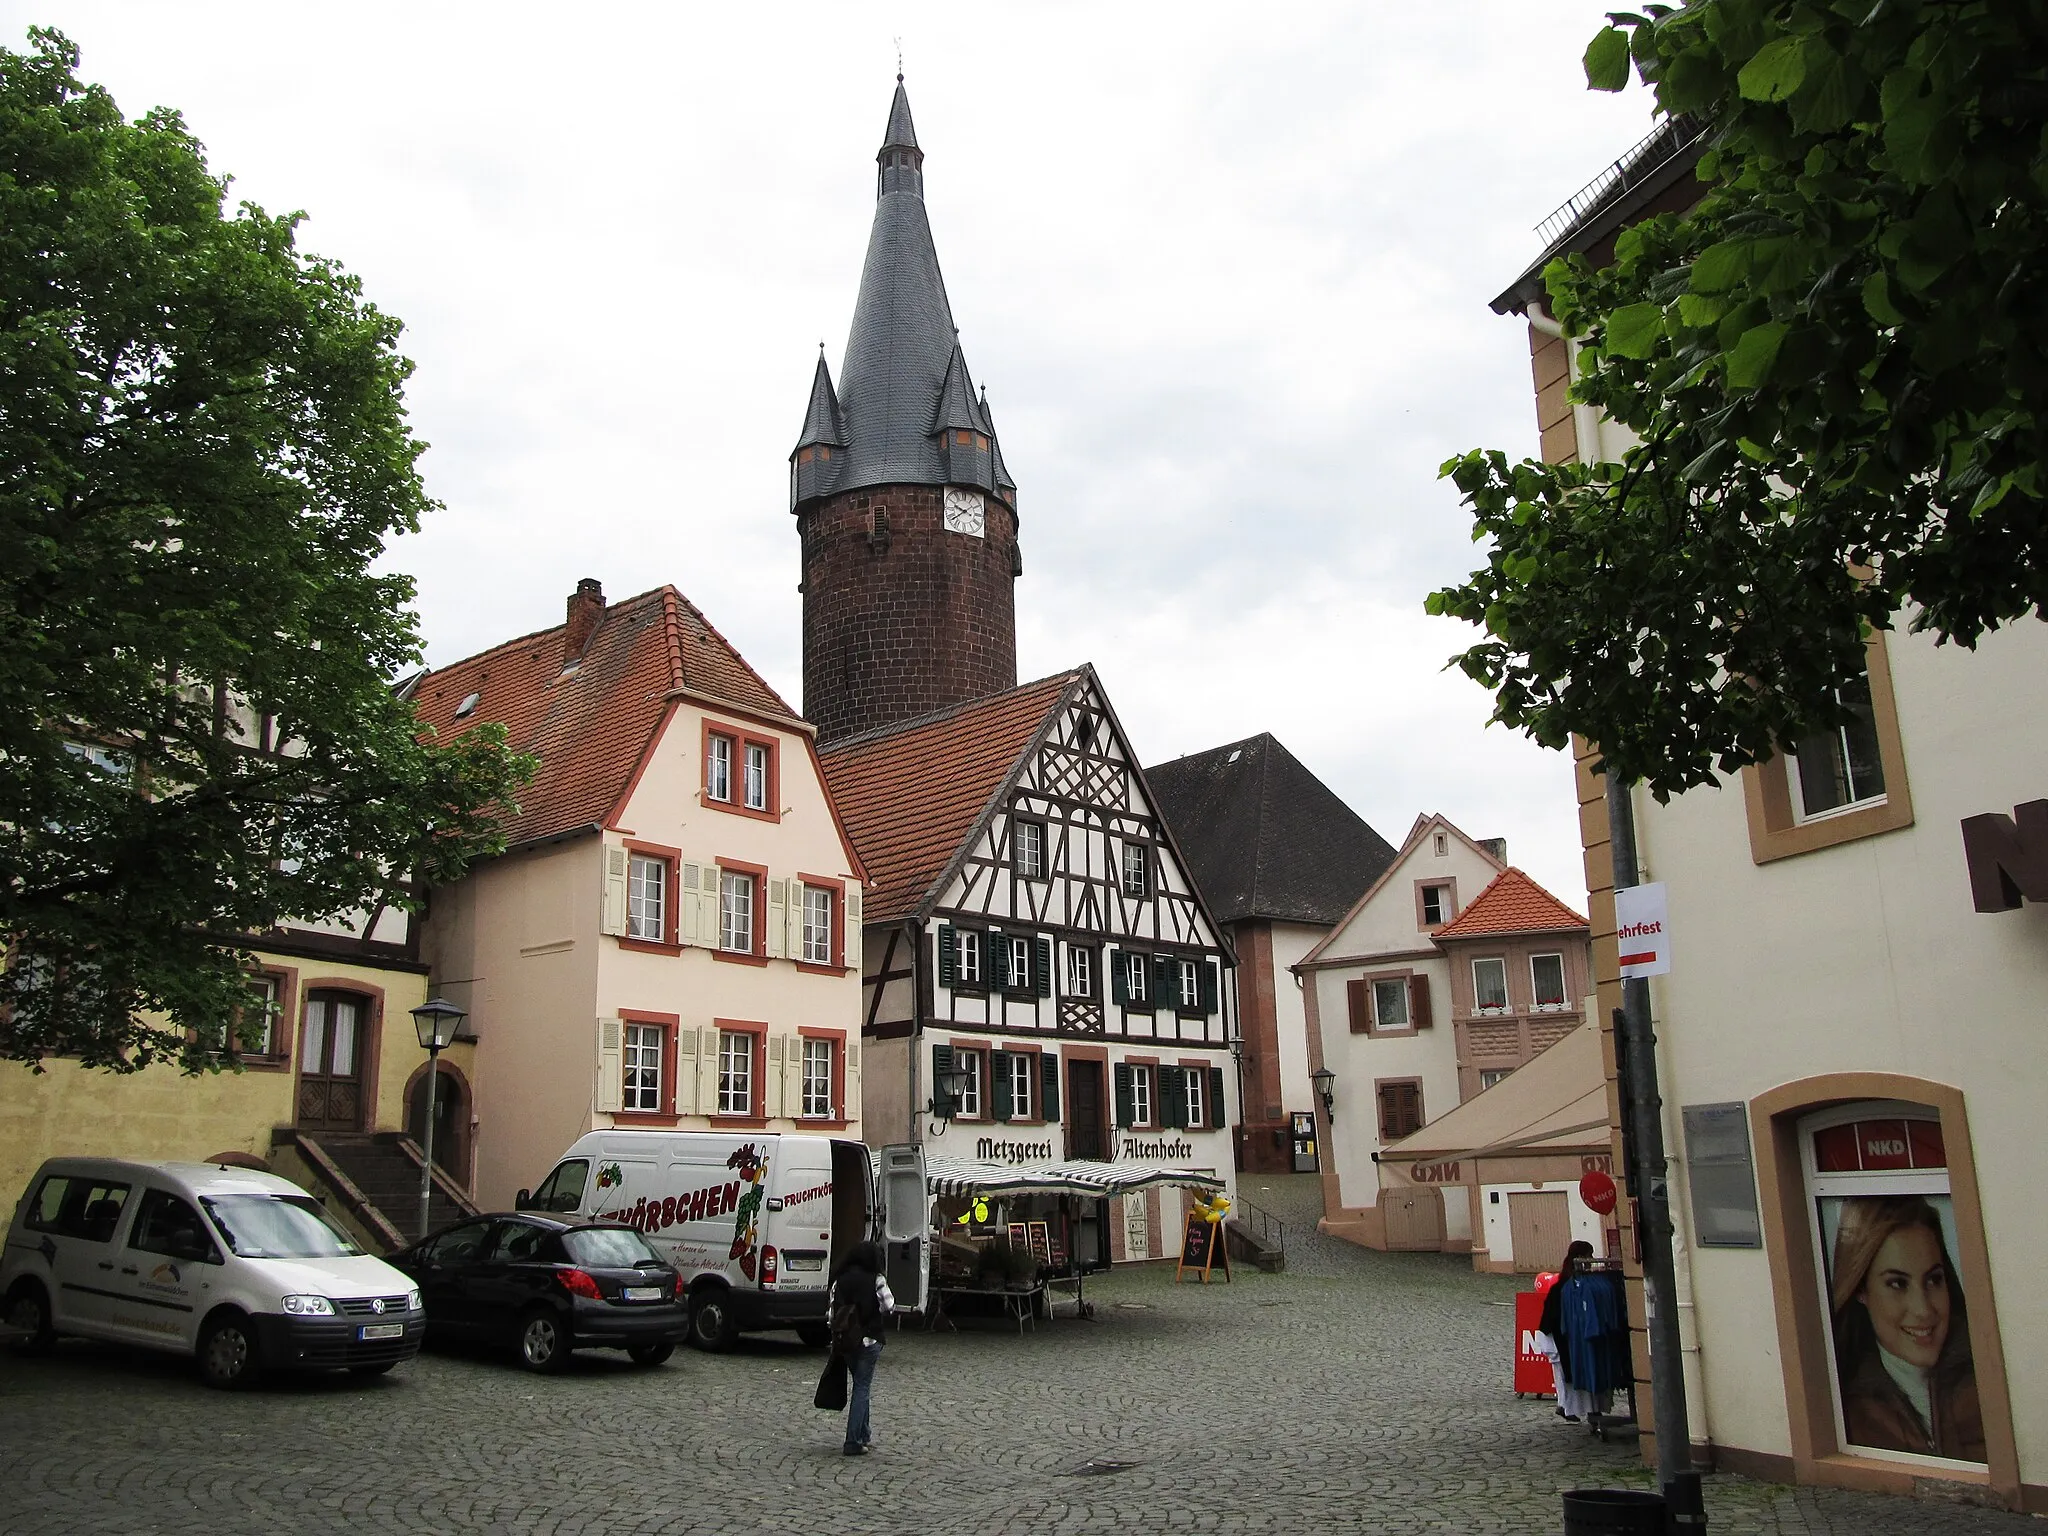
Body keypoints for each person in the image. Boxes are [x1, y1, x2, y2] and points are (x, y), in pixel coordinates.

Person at [1829, 1197, 1985, 1461]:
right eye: (1898, 1284)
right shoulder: (1846, 1404)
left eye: (1934, 1279)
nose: (1923, 1309)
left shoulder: (1986, 1377)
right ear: (1860, 1291)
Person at [1538, 1240, 1627, 1423]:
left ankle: (1574, 1408)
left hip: (1572, 1338)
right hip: (1565, 1339)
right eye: (1589, 1255)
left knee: (1572, 1375)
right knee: (1569, 1375)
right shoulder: (1566, 1286)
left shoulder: (1576, 1284)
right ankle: (1572, 1407)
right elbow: (1551, 1319)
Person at [828, 1241, 895, 1457]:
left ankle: (864, 1433)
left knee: (860, 1385)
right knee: (862, 1388)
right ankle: (853, 1440)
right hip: (869, 1339)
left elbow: (831, 1315)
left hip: (846, 1342)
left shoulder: (840, 1280)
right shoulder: (876, 1279)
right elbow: (889, 1306)